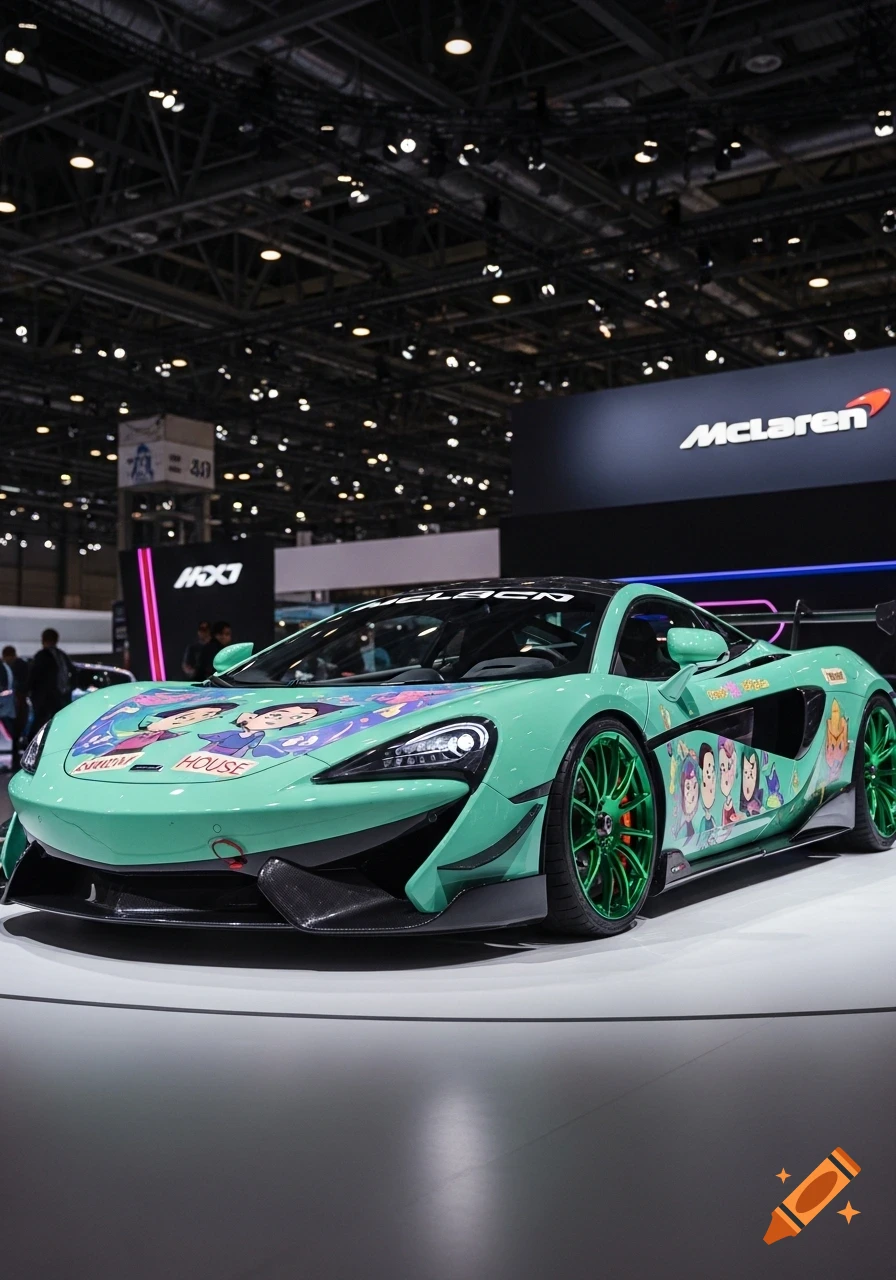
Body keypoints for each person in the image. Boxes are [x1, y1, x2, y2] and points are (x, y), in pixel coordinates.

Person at [27, 628, 76, 735]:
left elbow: (34, 675)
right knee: (57, 725)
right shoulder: (62, 655)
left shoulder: (42, 656)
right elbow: (73, 673)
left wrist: (28, 692)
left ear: (43, 639)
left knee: (40, 725)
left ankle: (33, 746)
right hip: (61, 697)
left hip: (45, 698)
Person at [1, 645, 29, 770]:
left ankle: (16, 763)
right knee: (16, 736)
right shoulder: (18, 666)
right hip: (16, 706)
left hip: (14, 705)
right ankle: (16, 763)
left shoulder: (12, 667)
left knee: (14, 734)